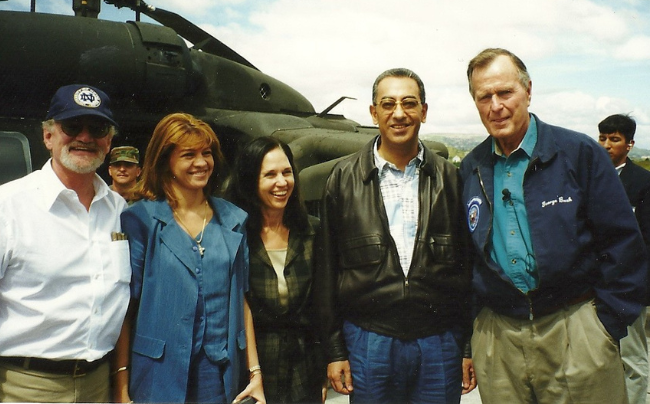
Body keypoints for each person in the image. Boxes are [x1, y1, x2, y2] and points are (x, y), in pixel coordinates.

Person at [460, 48, 647, 404]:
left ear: (528, 91)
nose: (495, 105)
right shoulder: (472, 166)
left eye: (505, 92)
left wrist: (604, 327)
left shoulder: (578, 152)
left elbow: (623, 242)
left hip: (575, 328)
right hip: (500, 337)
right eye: (484, 96)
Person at [315, 68, 476, 404]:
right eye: (388, 104)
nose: (399, 113)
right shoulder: (343, 179)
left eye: (409, 103)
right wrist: (334, 351)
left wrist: (466, 347)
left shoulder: (451, 180)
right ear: (374, 113)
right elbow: (327, 270)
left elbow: (468, 269)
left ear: (424, 111)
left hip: (439, 342)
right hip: (368, 341)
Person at [0, 84, 131, 402]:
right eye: (71, 126)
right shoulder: (2, 208)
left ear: (108, 141)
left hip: (99, 385)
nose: (85, 136)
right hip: (24, 389)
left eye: (97, 128)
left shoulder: (121, 212)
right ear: (48, 136)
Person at [119, 112, 265, 404]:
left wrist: (255, 372)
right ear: (165, 160)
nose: (201, 163)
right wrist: (121, 387)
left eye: (206, 153)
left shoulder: (234, 220)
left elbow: (242, 301)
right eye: (189, 154)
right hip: (158, 375)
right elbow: (125, 309)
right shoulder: (141, 221)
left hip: (218, 373)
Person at [227, 137, 324, 403]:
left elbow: (321, 306)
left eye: (287, 172)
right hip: (252, 366)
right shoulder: (236, 234)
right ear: (250, 181)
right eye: (270, 174)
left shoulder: (312, 230)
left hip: (303, 367)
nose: (282, 182)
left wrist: (322, 372)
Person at [598, 113, 650, 404]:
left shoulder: (642, 183)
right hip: (596, 285)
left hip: (630, 288)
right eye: (603, 138)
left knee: (632, 358)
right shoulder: (590, 177)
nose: (607, 145)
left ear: (629, 145)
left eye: (614, 139)